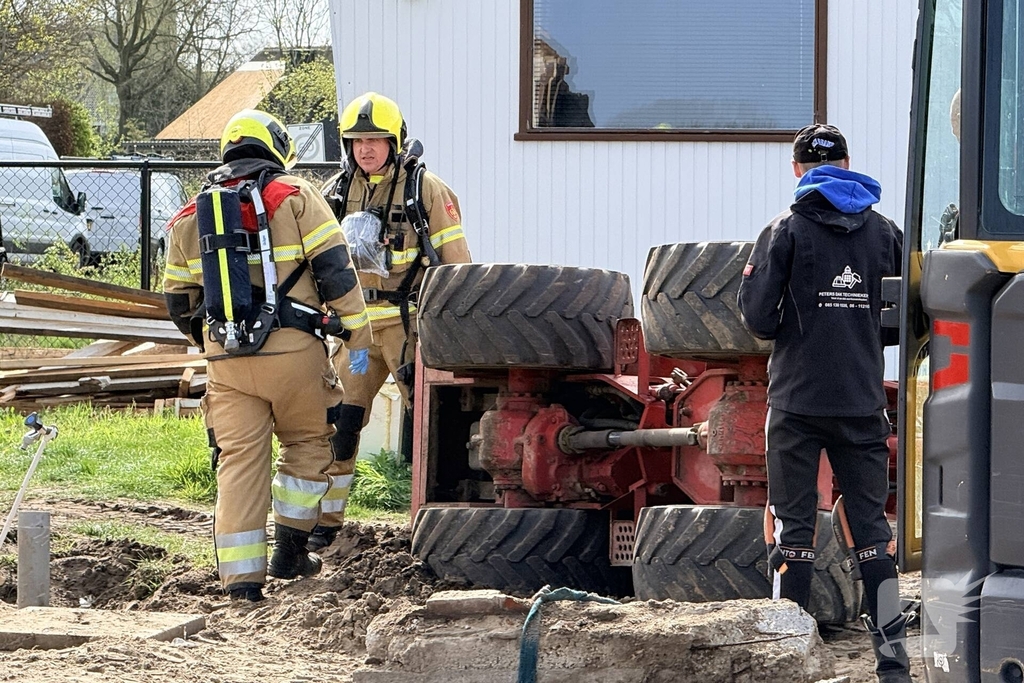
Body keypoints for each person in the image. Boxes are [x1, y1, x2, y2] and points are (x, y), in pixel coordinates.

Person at [163, 109, 372, 602]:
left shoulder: (189, 216)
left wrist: (215, 344)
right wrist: (357, 337)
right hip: (295, 353)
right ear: (276, 148)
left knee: (238, 464)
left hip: (226, 363)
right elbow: (337, 273)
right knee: (306, 445)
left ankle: (241, 583)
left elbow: (178, 302)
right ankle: (291, 552)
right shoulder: (296, 197)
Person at [737, 124, 908, 682]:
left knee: (794, 529)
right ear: (849, 163)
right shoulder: (886, 233)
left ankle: (792, 663)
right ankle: (893, 663)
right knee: (872, 534)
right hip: (861, 400)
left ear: (797, 170)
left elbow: (759, 319)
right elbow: (903, 321)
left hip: (796, 402)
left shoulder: (783, 230)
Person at [308, 92, 471, 551]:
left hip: (408, 332)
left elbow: (457, 263)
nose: (366, 149)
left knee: (431, 425)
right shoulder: (338, 192)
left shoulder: (426, 191)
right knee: (341, 421)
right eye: (357, 141)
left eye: (376, 140)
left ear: (395, 142)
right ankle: (326, 522)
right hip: (358, 341)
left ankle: (436, 522)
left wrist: (454, 331)